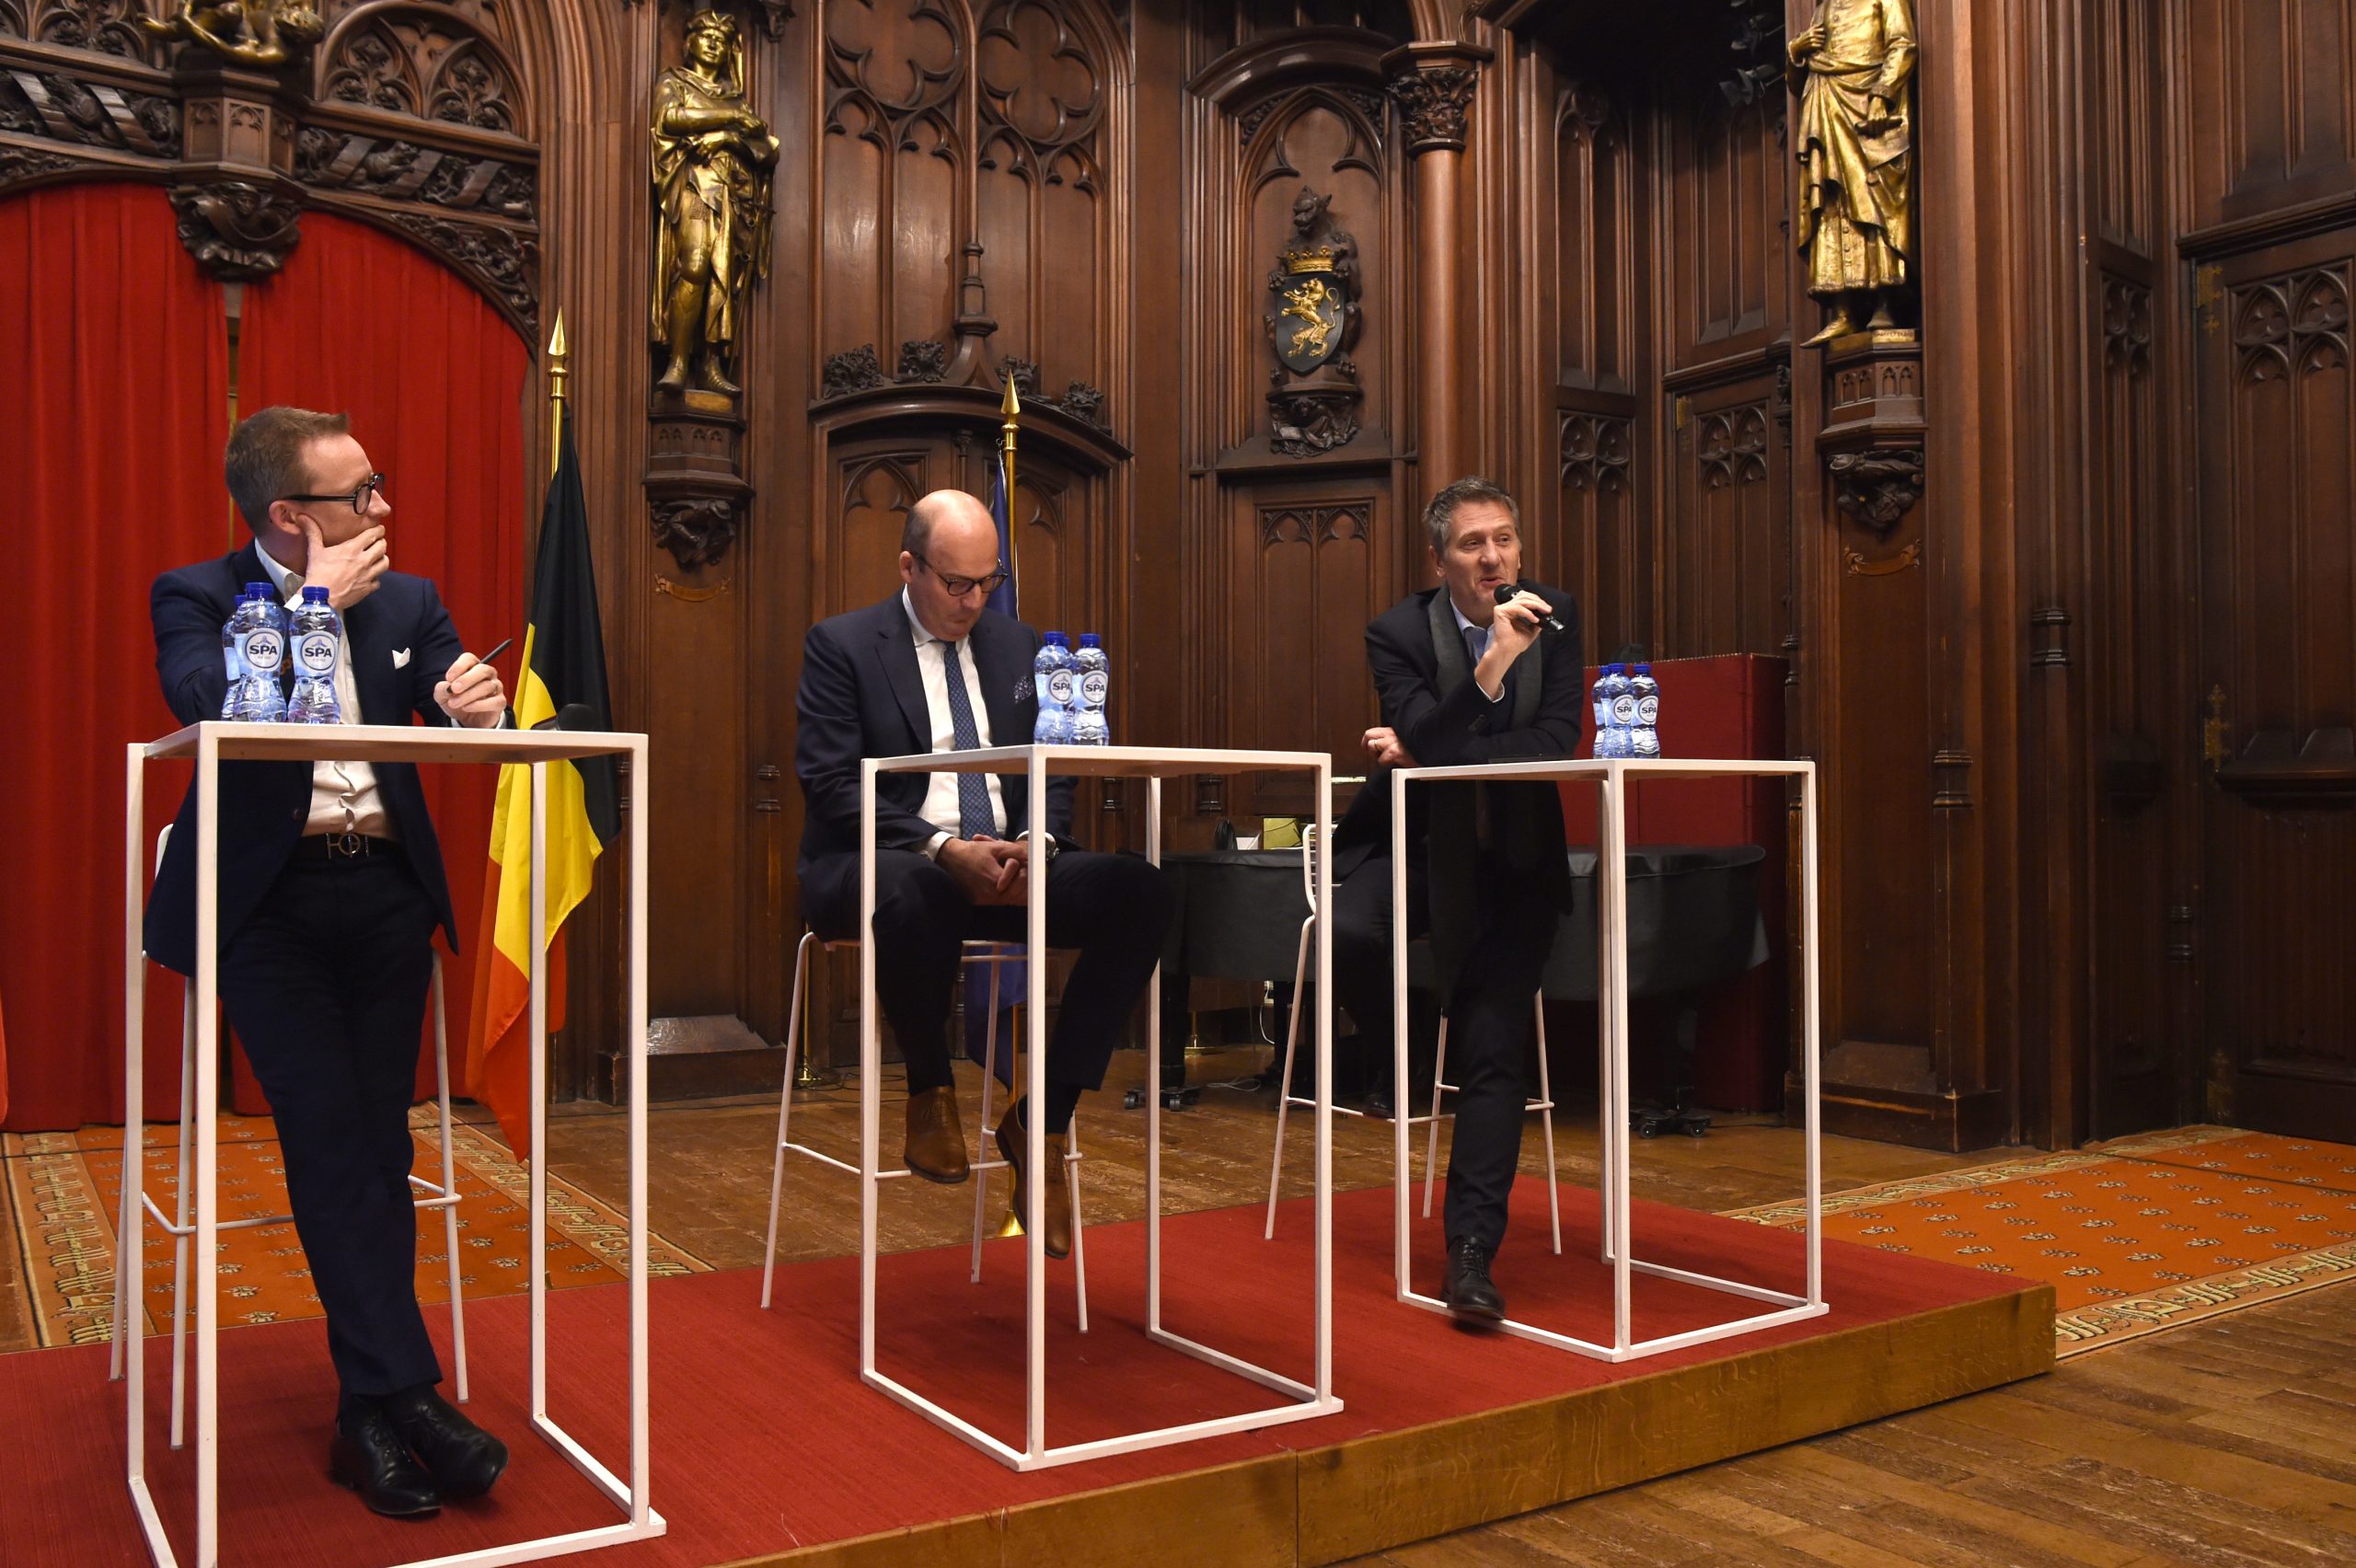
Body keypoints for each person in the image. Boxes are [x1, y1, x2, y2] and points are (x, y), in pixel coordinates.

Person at [145, 407, 512, 1518]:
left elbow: (457, 701)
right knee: (329, 1136)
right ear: (289, 516)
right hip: (269, 907)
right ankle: (407, 1399)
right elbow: (204, 704)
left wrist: (475, 706)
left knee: (378, 1142)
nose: (384, 507)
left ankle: (373, 1412)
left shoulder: (410, 600)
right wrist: (311, 606)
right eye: (361, 494)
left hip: (385, 895)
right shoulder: (197, 595)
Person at [794, 490, 1175, 1258]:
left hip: (1005, 867)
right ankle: (929, 1092)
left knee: (1142, 891)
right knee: (919, 887)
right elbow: (832, 786)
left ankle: (1042, 1124)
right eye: (956, 583)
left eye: (987, 581)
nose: (973, 601)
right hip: (886, 865)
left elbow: (1050, 766)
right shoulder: (842, 644)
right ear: (909, 566)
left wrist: (1037, 841)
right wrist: (941, 847)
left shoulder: (1017, 644)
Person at [1328, 477, 1581, 1323]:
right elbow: (1434, 743)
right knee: (1348, 932)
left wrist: (1434, 744)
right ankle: (1398, 1060)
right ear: (1440, 561)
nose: (1493, 558)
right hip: (1413, 850)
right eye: (1473, 543)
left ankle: (1470, 1255)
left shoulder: (1555, 615)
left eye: (1504, 539)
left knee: (1494, 1050)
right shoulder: (1398, 631)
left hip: (1512, 863)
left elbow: (1557, 741)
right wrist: (1494, 665)